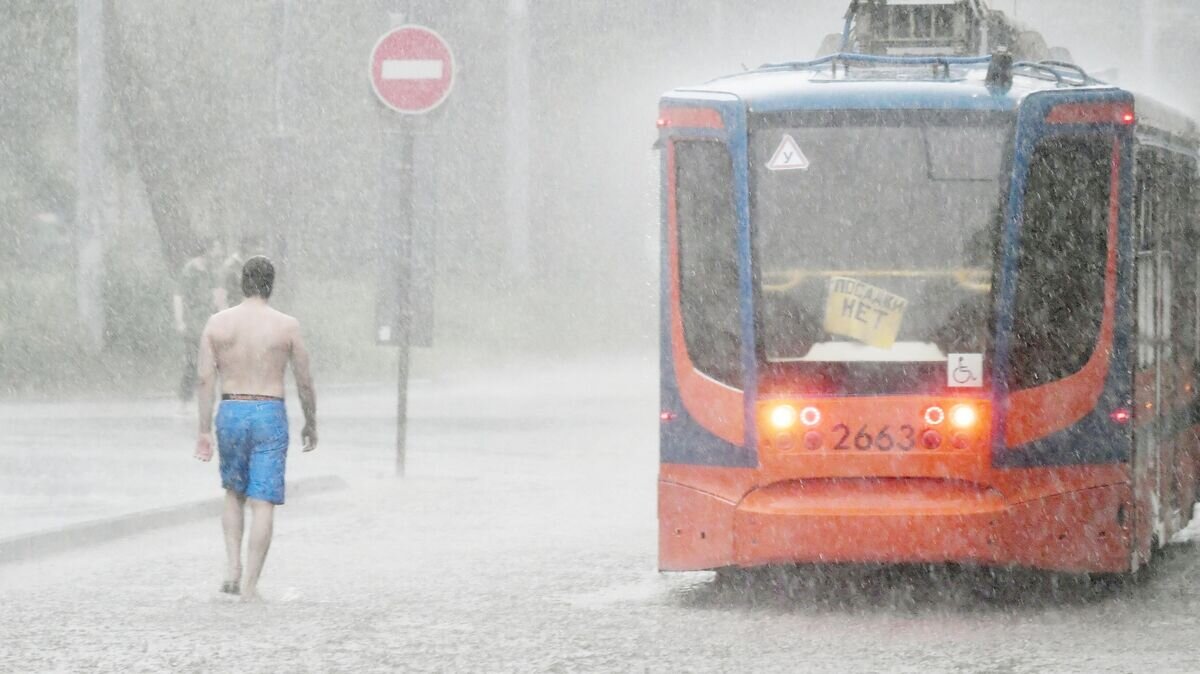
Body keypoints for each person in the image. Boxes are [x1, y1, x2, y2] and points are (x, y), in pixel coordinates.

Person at [192, 256, 318, 601]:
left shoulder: (217, 324)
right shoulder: (286, 326)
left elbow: (204, 378)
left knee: (233, 492)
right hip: (268, 410)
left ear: (242, 283)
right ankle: (249, 586)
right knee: (262, 502)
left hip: (231, 408)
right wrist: (311, 421)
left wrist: (204, 428)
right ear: (271, 285)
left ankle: (231, 568)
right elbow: (304, 380)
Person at [174, 237, 224, 407]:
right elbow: (179, 297)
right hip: (193, 323)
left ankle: (208, 397)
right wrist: (180, 320)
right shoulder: (189, 271)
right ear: (207, 251)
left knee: (211, 361)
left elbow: (218, 295)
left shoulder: (211, 271)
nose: (218, 253)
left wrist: (222, 315)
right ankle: (185, 399)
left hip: (208, 322)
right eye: (216, 249)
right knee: (192, 361)